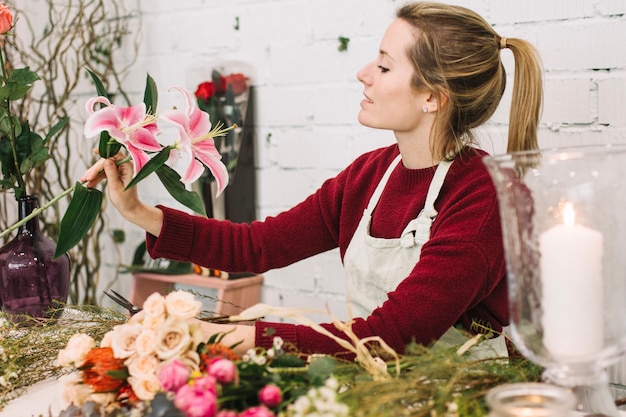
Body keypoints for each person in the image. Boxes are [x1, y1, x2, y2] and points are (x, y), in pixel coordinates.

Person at [82, 2, 543, 358]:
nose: (363, 73)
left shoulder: (482, 197)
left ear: (432, 98)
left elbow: (392, 338)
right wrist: (138, 211)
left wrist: (232, 336)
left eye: (384, 66)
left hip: (457, 398)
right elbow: (256, 247)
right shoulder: (370, 175)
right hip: (375, 384)